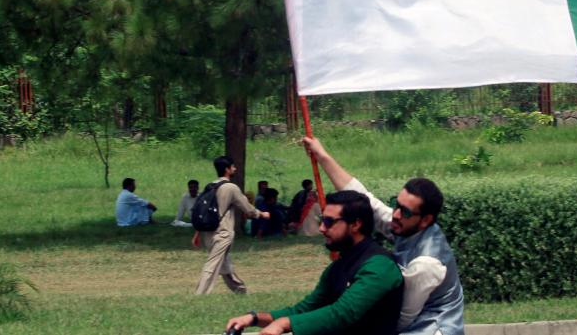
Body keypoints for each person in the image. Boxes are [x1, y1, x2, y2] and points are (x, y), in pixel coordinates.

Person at [304, 135, 465, 335]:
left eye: (405, 211)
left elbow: (401, 318)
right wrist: (322, 156)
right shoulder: (407, 225)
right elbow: (367, 201)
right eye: (397, 205)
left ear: (426, 220)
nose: (395, 214)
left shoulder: (427, 264)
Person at [223, 190, 403, 335]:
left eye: (329, 222)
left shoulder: (380, 266)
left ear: (355, 224)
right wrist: (253, 318)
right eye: (322, 220)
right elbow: (305, 309)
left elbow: (342, 314)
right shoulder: (339, 266)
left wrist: (284, 324)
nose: (321, 228)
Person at [194, 156, 266, 295]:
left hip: (208, 232)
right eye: (233, 166)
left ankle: (241, 291)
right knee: (212, 265)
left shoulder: (210, 186)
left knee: (225, 264)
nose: (235, 169)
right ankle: (199, 295)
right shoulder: (231, 188)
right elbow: (247, 208)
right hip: (223, 233)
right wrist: (261, 214)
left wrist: (197, 233)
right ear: (227, 169)